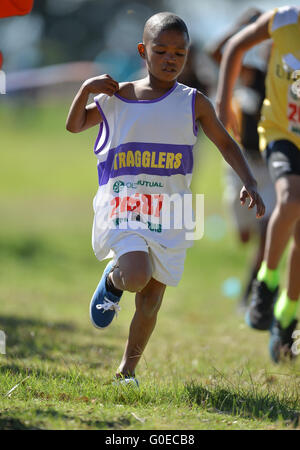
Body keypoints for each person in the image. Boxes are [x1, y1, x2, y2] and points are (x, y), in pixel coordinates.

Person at [66, 12, 265, 385]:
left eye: (179, 52)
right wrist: (85, 90)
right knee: (137, 276)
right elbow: (75, 125)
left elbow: (225, 142)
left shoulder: (195, 102)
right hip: (125, 204)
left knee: (151, 301)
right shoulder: (119, 95)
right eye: (161, 51)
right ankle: (114, 281)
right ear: (144, 51)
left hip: (171, 210)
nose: (171, 58)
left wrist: (250, 181)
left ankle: (127, 371)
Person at [216, 5, 300, 363]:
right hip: (281, 134)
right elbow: (234, 46)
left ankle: (286, 315)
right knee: (292, 199)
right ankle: (266, 282)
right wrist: (222, 101)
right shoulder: (284, 20)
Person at [208, 9, 276, 309]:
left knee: (267, 232)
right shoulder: (252, 76)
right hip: (240, 165)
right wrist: (240, 27)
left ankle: (250, 295)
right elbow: (216, 54)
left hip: (273, 166)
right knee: (245, 235)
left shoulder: (291, 83)